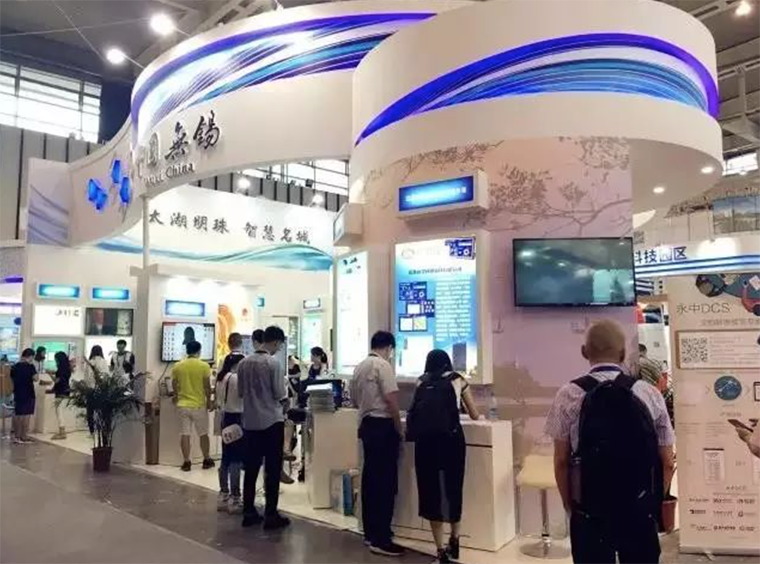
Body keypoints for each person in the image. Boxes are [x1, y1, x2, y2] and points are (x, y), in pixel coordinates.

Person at [545, 320, 676, 564]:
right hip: (638, 510)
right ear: (623, 354)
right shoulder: (649, 393)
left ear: (584, 352)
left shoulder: (568, 394)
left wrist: (571, 506)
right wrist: (652, 503)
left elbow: (561, 461)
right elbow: (667, 461)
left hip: (590, 511)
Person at [407, 350, 479, 564]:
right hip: (451, 443)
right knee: (453, 488)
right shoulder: (458, 380)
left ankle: (440, 550)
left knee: (431, 493)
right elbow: (474, 414)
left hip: (426, 444)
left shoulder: (421, 381)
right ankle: (455, 540)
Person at [350, 331, 405, 557]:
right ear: (389, 348)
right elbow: (391, 400)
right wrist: (398, 428)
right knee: (385, 483)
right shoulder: (383, 366)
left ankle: (370, 533)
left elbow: (354, 399)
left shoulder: (359, 367)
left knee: (370, 480)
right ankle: (382, 539)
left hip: (366, 425)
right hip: (383, 427)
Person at [238, 325, 291, 530]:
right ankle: (270, 514)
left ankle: (248, 512)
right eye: (280, 345)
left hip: (250, 422)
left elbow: (241, 392)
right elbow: (279, 393)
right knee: (272, 470)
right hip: (271, 422)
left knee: (251, 469)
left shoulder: (244, 363)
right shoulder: (273, 363)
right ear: (276, 342)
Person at [171, 340, 215, 472]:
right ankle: (206, 459)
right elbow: (207, 386)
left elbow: (174, 384)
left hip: (183, 405)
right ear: (199, 351)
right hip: (199, 405)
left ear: (187, 351)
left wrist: (176, 396)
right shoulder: (204, 366)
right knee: (203, 434)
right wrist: (209, 401)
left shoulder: (178, 366)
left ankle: (186, 462)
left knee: (185, 434)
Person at [216, 353, 245, 514]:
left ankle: (223, 494)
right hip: (237, 418)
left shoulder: (221, 377)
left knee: (226, 457)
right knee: (236, 459)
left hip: (225, 418)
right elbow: (243, 396)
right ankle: (235, 497)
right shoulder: (235, 378)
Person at [10, 348, 38, 444]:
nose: (32, 359)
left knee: (18, 415)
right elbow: (36, 379)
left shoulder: (14, 366)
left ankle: (16, 436)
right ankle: (24, 436)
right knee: (26, 415)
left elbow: (12, 380)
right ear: (30, 356)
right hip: (29, 393)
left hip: (18, 393)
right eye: (32, 357)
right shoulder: (31, 367)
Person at [51, 351, 72, 440]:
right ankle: (61, 431)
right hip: (66, 390)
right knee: (61, 411)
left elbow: (57, 381)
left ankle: (62, 432)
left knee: (59, 412)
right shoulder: (67, 369)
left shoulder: (60, 369)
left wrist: (49, 374)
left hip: (60, 391)